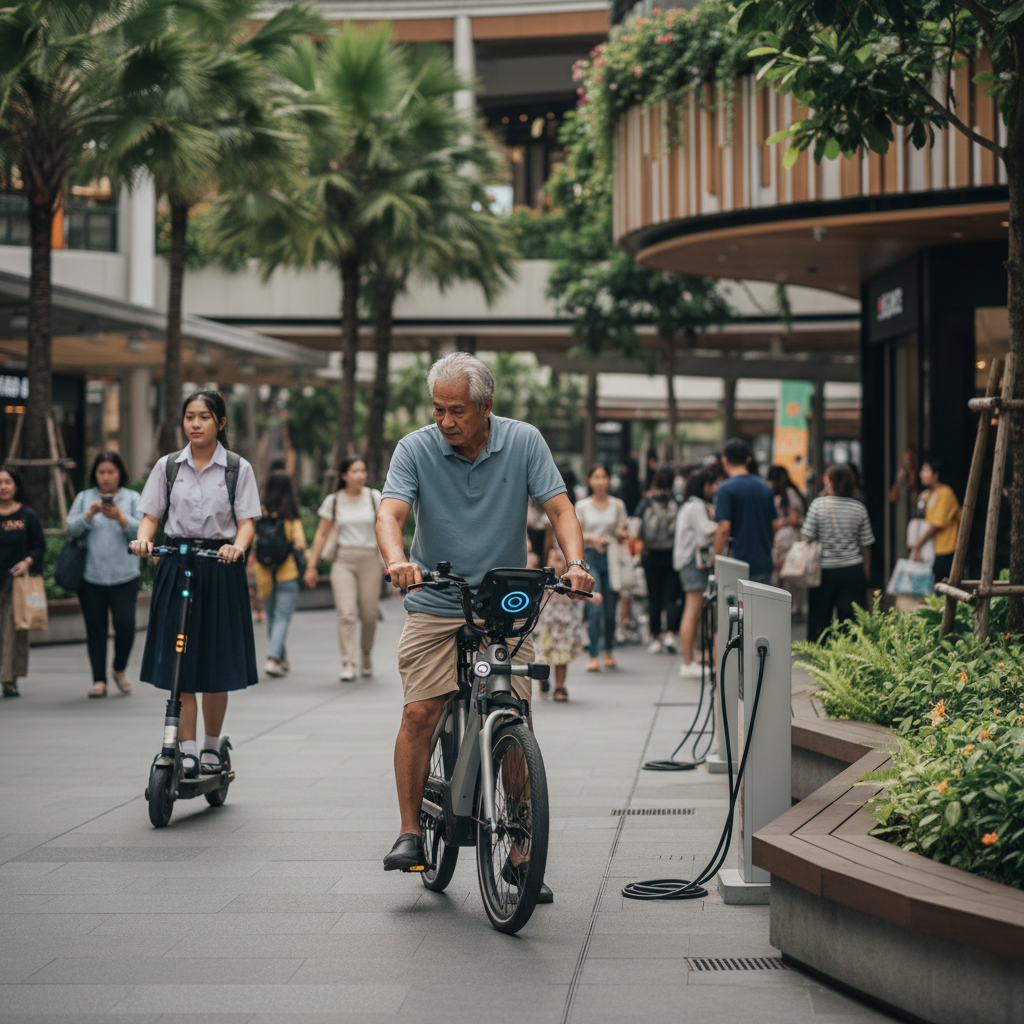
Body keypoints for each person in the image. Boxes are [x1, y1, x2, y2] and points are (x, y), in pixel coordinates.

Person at [376, 352, 594, 901]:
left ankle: (520, 851)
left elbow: (561, 509)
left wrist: (576, 564)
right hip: (435, 599)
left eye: (457, 410)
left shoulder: (523, 442)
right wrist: (397, 559)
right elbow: (390, 514)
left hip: (502, 607)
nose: (446, 421)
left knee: (514, 717)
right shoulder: (415, 448)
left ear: (486, 407)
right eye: (438, 409)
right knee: (421, 710)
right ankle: (409, 833)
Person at [130, 390, 261, 780]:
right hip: (177, 563)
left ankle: (210, 746)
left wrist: (237, 548)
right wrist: (142, 539)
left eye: (204, 417)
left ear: (220, 422)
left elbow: (247, 522)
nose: (196, 424)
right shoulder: (168, 466)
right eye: (189, 416)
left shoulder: (237, 468)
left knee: (215, 662)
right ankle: (183, 749)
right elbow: (151, 516)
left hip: (220, 566)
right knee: (179, 660)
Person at [66, 451, 142, 698]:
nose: (106, 477)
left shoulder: (132, 498)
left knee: (125, 626)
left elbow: (142, 531)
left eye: (111, 472)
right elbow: (71, 529)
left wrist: (120, 517)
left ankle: (119, 669)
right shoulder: (84, 497)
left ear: (120, 473)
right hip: (91, 576)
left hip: (125, 575)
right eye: (101, 472)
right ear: (95, 474)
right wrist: (88, 515)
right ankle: (99, 680)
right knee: (95, 629)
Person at [305, 456, 382, 681]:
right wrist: (312, 566)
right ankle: (349, 662)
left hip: (370, 559)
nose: (361, 475)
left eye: (363, 470)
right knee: (346, 614)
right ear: (344, 476)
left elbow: (386, 527)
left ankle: (366, 653)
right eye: (355, 471)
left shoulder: (374, 497)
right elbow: (321, 534)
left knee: (369, 615)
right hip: (343, 560)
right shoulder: (334, 500)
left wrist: (391, 560)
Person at [801, 463, 876, 642]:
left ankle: (820, 657)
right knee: (851, 621)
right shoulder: (859, 508)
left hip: (823, 571)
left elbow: (806, 538)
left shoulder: (818, 505)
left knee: (820, 618)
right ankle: (848, 658)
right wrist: (864, 575)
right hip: (852, 570)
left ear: (831, 482)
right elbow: (866, 546)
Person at [574, 464, 628, 671]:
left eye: (604, 477)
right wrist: (591, 538)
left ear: (609, 480)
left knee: (610, 608)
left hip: (612, 557)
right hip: (590, 559)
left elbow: (622, 529)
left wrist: (621, 534)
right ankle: (593, 653)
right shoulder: (582, 506)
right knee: (594, 605)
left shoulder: (617, 505)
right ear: (589, 481)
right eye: (596, 477)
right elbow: (576, 532)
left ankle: (609, 650)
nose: (600, 481)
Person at [254, 470, 307, 678]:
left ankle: (280, 657)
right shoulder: (290, 513)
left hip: (264, 572)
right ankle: (273, 658)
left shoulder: (260, 512)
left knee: (272, 617)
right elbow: (300, 544)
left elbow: (251, 541)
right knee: (282, 616)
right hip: (287, 571)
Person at [0, 466, 45, 698]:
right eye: (0, 482)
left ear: (16, 485)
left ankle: (9, 679)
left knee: (11, 631)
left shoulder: (26, 514)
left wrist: (27, 562)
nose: (3, 487)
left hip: (14, 582)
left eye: (7, 482)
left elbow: (39, 545)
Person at [536, 545, 596, 701]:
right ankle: (543, 679)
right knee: (544, 656)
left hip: (565, 628)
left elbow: (584, 594)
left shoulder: (570, 583)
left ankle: (559, 686)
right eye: (552, 559)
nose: (554, 563)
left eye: (558, 560)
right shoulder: (543, 583)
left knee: (562, 659)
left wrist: (594, 596)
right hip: (547, 627)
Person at [674, 468, 718, 678]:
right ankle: (688, 661)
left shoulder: (689, 505)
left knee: (694, 611)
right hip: (693, 562)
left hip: (688, 561)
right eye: (712, 484)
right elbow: (704, 534)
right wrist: (720, 524)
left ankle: (692, 659)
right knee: (692, 611)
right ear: (705, 486)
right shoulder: (696, 506)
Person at [713, 438, 777, 584]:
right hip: (764, 563)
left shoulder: (726, 488)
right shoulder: (765, 487)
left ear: (724, 461)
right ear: (748, 460)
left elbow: (723, 527)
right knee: (760, 606)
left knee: (737, 606)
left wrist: (716, 560)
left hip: (736, 565)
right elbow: (775, 524)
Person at [635, 468, 682, 654]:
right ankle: (670, 634)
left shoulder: (646, 502)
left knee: (653, 597)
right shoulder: (677, 503)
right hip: (671, 555)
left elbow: (635, 528)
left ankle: (655, 636)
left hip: (650, 556)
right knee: (671, 597)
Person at [911, 457, 962, 583]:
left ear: (936, 475)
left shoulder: (945, 493)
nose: (922, 474)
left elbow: (936, 524)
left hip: (945, 549)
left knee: (942, 585)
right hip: (930, 549)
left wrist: (917, 545)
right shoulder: (926, 494)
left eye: (926, 470)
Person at [767, 464, 807, 620]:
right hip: (786, 539)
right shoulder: (790, 493)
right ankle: (791, 607)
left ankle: (787, 607)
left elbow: (794, 519)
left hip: (785, 539)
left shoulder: (787, 494)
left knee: (786, 575)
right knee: (789, 575)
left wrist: (779, 523)